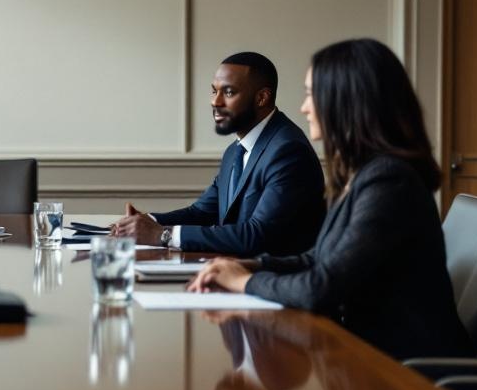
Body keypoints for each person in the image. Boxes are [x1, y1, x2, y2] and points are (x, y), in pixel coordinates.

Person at [188, 38, 474, 359]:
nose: (304, 107)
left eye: (311, 94)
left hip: (407, 375)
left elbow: (321, 287)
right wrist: (251, 264)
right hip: (364, 357)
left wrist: (244, 282)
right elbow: (318, 259)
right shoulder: (362, 172)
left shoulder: (389, 180)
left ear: (346, 100)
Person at [112, 52, 325, 256]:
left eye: (229, 92)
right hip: (234, 272)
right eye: (214, 91)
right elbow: (202, 213)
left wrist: (163, 235)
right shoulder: (235, 151)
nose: (215, 101)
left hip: (274, 283)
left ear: (261, 98)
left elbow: (258, 235)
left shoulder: (287, 151)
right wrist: (147, 221)